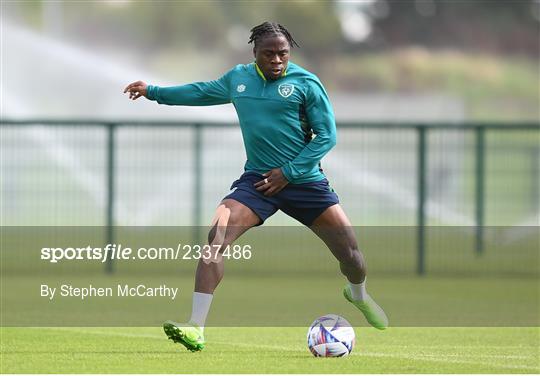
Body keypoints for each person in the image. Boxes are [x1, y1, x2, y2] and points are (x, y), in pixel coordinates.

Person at [124, 21, 388, 352]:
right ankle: (195, 326)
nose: (277, 60)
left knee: (351, 254)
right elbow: (200, 91)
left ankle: (358, 294)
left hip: (304, 180)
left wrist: (289, 172)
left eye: (283, 54)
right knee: (216, 237)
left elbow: (327, 135)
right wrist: (153, 91)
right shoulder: (239, 78)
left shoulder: (306, 83)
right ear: (255, 54)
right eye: (269, 54)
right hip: (258, 181)